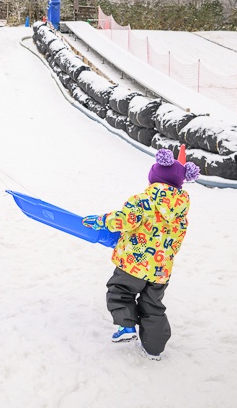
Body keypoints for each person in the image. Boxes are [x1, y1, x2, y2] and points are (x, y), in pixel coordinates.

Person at [81, 148, 200, 360]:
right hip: (160, 271)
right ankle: (154, 349)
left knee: (119, 291)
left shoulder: (143, 200)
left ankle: (127, 328)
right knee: (152, 305)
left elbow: (124, 220)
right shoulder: (181, 213)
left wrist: (101, 221)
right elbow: (176, 241)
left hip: (132, 263)